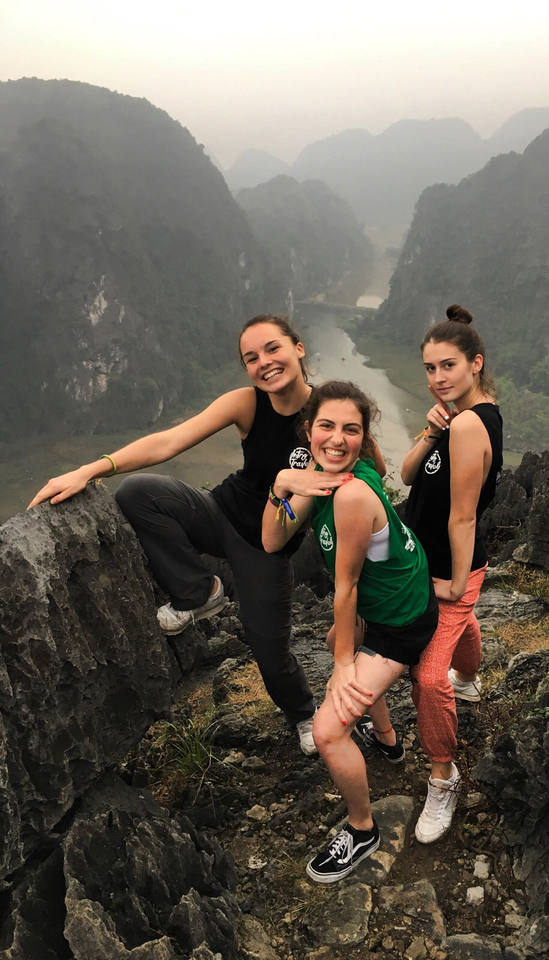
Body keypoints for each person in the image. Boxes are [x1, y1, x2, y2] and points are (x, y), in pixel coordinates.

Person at [28, 313, 358, 757]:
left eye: (273, 348)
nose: (264, 362)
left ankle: (302, 714)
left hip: (268, 544)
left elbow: (363, 466)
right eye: (251, 358)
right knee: (140, 493)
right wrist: (91, 469)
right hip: (218, 512)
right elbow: (170, 441)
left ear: (298, 349)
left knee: (270, 651)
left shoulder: (326, 413)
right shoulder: (247, 403)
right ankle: (199, 592)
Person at [262, 380, 438, 882]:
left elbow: (347, 587)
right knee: (333, 643)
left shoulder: (352, 495)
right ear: (308, 430)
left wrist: (343, 668)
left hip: (401, 620)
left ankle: (363, 829)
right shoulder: (322, 477)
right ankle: (387, 740)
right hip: (393, 601)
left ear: (364, 435)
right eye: (326, 426)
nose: (337, 439)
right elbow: (271, 538)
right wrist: (282, 486)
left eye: (351, 430)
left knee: (327, 730)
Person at [401, 303, 503, 843]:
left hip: (449, 566)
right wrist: (428, 430)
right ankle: (470, 679)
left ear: (475, 363)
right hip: (421, 557)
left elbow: (463, 516)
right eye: (430, 368)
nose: (438, 377)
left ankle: (443, 775)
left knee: (426, 676)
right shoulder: (453, 419)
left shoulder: (469, 424)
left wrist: (458, 583)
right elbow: (407, 475)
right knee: (459, 628)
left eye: (449, 366)